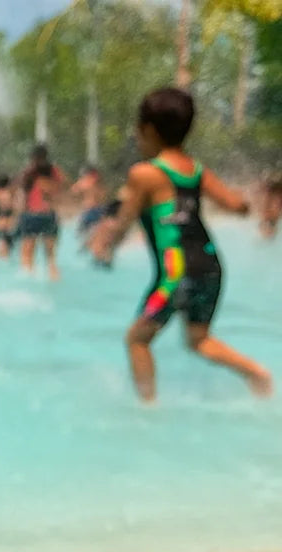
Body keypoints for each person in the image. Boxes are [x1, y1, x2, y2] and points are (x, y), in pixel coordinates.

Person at [98, 87, 272, 402]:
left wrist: (107, 245)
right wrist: (253, 200)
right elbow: (236, 206)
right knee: (198, 340)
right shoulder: (196, 170)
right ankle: (257, 374)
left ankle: (148, 411)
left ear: (149, 130)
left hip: (175, 272)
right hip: (210, 266)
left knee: (137, 339)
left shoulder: (145, 174)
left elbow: (124, 221)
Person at [18, 144, 66, 280]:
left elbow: (22, 194)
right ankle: (54, 278)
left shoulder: (29, 172)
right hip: (48, 214)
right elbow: (63, 188)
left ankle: (28, 280)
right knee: (51, 257)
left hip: (31, 214)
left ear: (33, 158)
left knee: (27, 255)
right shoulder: (54, 172)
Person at [72, 165, 107, 245]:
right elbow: (103, 195)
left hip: (89, 210)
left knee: (81, 233)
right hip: (100, 209)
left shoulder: (85, 182)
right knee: (96, 232)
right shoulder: (97, 181)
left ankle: (85, 244)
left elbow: (74, 191)